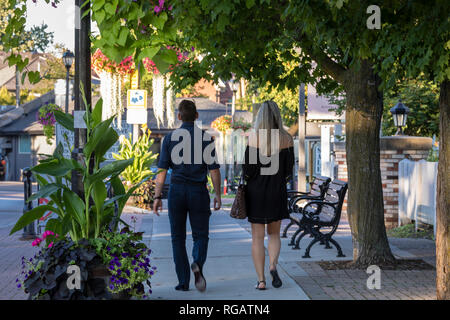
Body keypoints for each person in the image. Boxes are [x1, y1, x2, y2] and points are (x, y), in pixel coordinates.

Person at [153, 99, 222, 292]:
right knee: (201, 235)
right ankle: (197, 261)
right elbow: (214, 170)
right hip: (198, 191)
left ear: (179, 116)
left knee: (177, 238)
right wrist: (217, 194)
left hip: (176, 191)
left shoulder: (169, 139)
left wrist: (157, 197)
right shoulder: (206, 138)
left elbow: (162, 171)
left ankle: (183, 281)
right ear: (197, 116)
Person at [242, 100, 294, 290]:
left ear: (260, 117)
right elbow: (289, 171)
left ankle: (261, 280)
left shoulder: (254, 138)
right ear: (277, 116)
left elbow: (247, 170)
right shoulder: (287, 138)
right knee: (274, 234)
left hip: (256, 193)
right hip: (276, 191)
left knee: (257, 237)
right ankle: (273, 265)